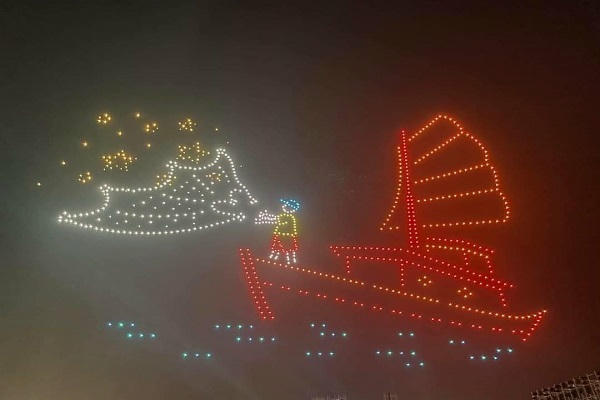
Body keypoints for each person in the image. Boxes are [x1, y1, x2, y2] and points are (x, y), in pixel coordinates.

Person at [266, 198, 300, 264]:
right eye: (284, 205)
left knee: (288, 248)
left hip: (288, 235)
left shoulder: (291, 218)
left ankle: (290, 260)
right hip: (280, 234)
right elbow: (277, 221)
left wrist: (276, 222)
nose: (284, 206)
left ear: (291, 209)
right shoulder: (282, 216)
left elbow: (284, 224)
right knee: (277, 247)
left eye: (286, 206)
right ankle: (273, 258)